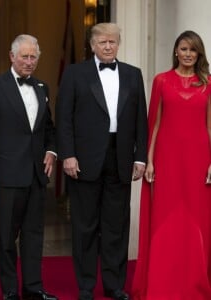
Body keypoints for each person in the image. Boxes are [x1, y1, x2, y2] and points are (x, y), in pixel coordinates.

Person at [56, 23, 148, 300]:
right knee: (84, 225)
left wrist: (140, 157)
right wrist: (68, 154)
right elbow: (64, 118)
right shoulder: (75, 73)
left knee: (116, 226)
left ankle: (114, 285)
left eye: (113, 41)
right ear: (92, 45)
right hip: (83, 158)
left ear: (119, 44)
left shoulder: (134, 74)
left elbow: (141, 121)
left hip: (120, 157)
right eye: (102, 42)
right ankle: (85, 286)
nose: (108, 46)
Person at [0, 34, 58, 300]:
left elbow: (49, 130)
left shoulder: (43, 88)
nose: (29, 61)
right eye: (24, 56)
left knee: (34, 235)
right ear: (12, 57)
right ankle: (10, 291)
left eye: (34, 56)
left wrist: (51, 150)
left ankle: (33, 288)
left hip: (36, 175)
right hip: (6, 175)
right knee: (7, 237)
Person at [132, 30, 211, 299]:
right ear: (176, 51)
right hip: (167, 159)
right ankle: (162, 283)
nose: (188, 54)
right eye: (184, 49)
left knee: (197, 220)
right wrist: (150, 160)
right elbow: (154, 123)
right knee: (166, 220)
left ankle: (195, 285)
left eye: (193, 50)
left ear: (199, 54)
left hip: (198, 160)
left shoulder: (208, 83)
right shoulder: (161, 81)